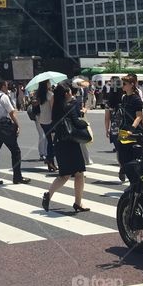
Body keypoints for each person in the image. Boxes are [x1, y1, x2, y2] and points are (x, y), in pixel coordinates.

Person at [41, 83, 89, 213]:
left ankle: (48, 195)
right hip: (71, 143)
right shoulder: (69, 107)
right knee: (79, 173)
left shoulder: (56, 108)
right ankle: (78, 202)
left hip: (59, 143)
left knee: (64, 175)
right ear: (66, 93)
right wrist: (84, 118)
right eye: (69, 91)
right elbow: (77, 123)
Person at [0, 80, 29, 186]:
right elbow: (11, 112)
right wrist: (17, 125)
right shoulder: (4, 97)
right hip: (4, 127)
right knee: (15, 151)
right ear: (3, 87)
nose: (7, 87)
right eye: (6, 85)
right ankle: (17, 177)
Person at [114, 74, 143, 182]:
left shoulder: (136, 99)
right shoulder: (124, 98)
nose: (122, 86)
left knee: (132, 156)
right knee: (121, 153)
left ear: (132, 85)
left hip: (133, 131)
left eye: (124, 84)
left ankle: (133, 180)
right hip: (123, 129)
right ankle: (123, 168)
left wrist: (131, 129)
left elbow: (139, 116)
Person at [35, 80, 56, 173]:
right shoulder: (50, 95)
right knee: (53, 142)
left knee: (49, 141)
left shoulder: (39, 95)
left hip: (42, 121)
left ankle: (51, 164)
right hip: (50, 120)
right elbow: (53, 109)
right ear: (46, 84)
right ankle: (49, 158)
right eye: (49, 82)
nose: (50, 84)